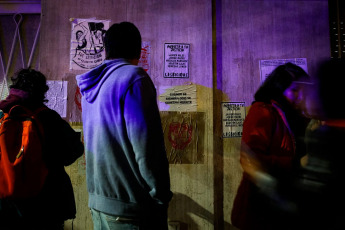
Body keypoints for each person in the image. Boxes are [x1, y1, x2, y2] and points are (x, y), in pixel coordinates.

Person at [76, 21, 173, 230]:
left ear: (107, 49)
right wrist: (161, 196)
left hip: (98, 205)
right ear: (137, 50)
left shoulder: (91, 86)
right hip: (130, 211)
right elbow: (147, 149)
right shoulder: (134, 78)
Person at [0, 68, 84, 230]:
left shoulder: (3, 116)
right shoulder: (48, 118)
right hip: (45, 202)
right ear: (42, 91)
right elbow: (74, 151)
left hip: (7, 203)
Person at [231, 62, 310, 230]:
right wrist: (294, 163)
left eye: (303, 92)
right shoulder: (263, 111)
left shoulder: (293, 116)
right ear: (279, 89)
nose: (301, 97)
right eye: (295, 91)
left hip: (282, 202)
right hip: (262, 206)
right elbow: (250, 158)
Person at [294, 58, 345, 230]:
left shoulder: (325, 138)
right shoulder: (320, 130)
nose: (307, 95)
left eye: (314, 88)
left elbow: (309, 204)